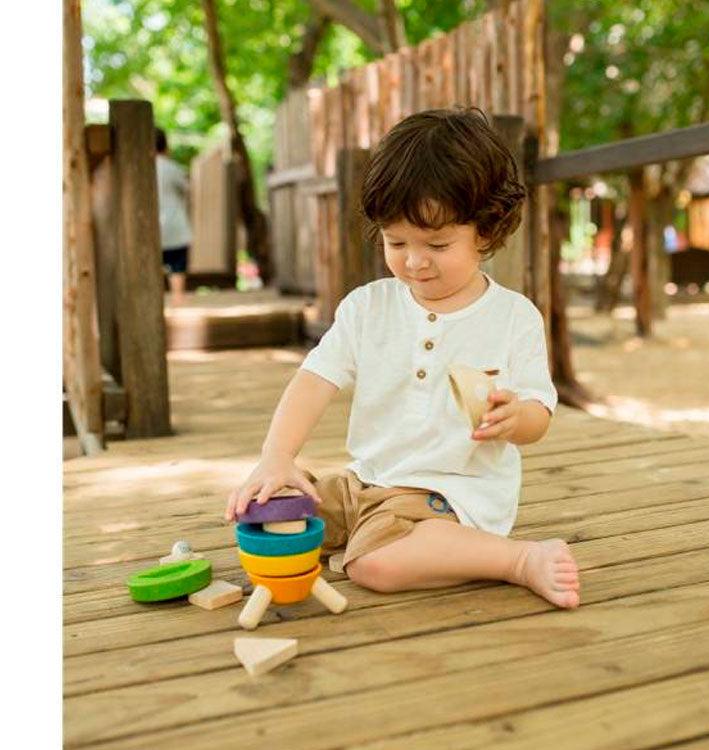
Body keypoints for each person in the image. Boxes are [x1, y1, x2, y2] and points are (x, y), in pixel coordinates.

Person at [225, 108, 580, 609]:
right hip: (366, 482)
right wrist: (276, 458)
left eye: (437, 243)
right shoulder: (368, 307)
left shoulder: (512, 317)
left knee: (374, 565)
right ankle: (373, 531)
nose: (414, 260)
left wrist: (514, 417)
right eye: (396, 242)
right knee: (270, 511)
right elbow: (314, 380)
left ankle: (517, 559)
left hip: (449, 496)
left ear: (486, 230)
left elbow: (538, 416)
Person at [155, 127, 192, 305]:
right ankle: (178, 298)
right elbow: (187, 189)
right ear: (165, 146)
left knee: (153, 264)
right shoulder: (173, 169)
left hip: (152, 227)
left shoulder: (140, 168)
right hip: (175, 224)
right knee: (177, 265)